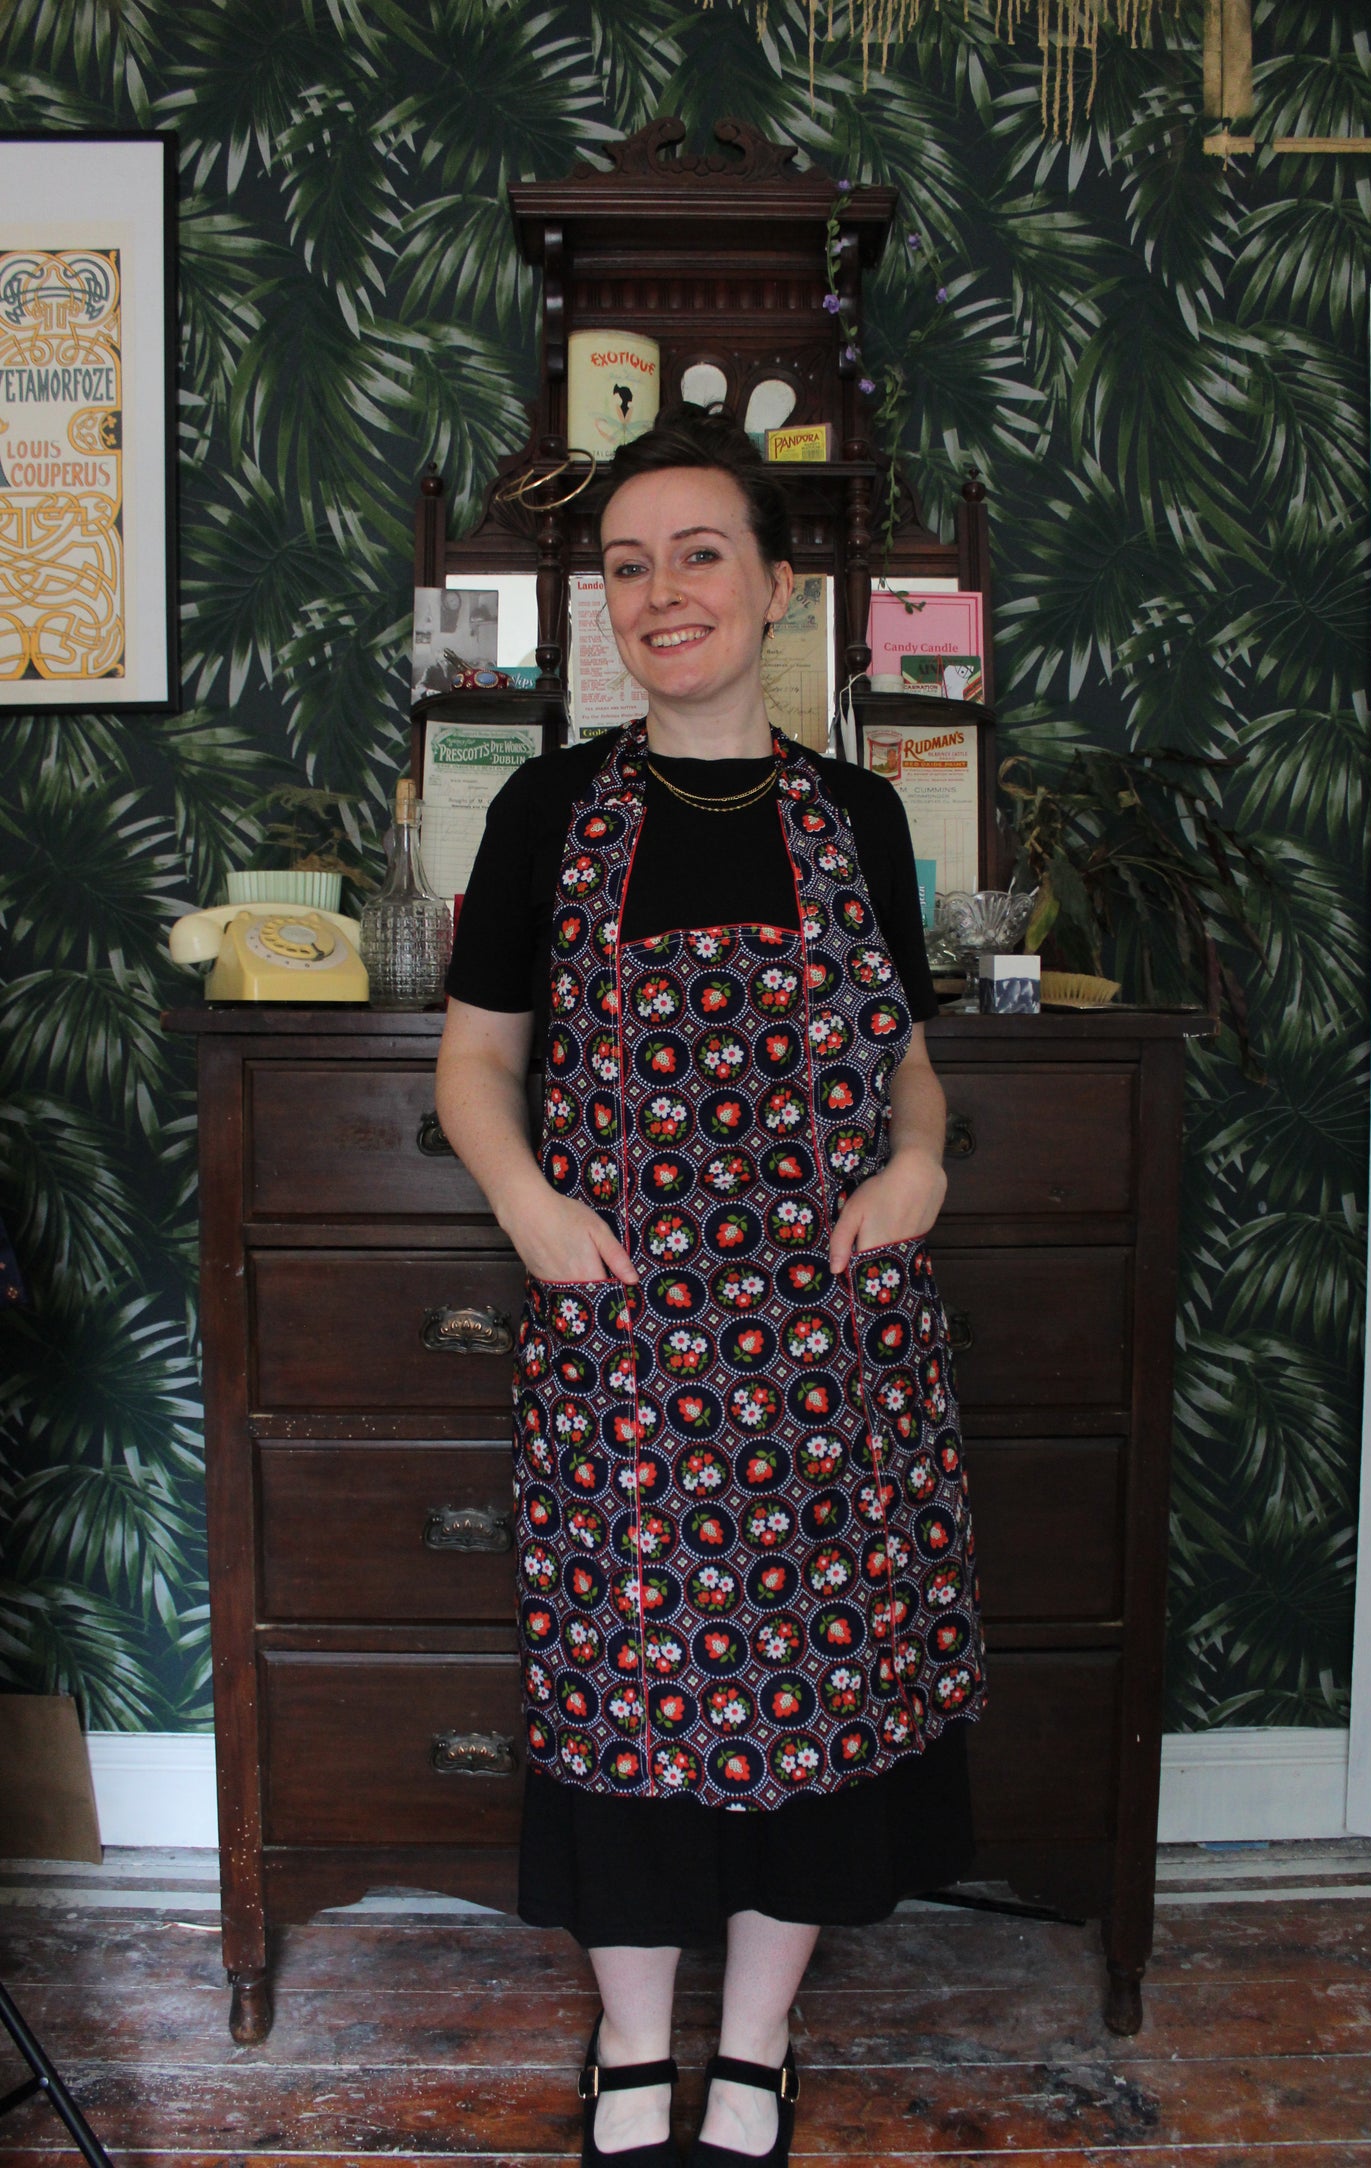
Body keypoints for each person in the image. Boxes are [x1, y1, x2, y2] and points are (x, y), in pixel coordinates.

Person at [435, 404, 985, 2168]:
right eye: (627, 565)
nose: (661, 591)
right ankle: (629, 2040)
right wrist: (526, 1205)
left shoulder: (856, 814)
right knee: (623, 1691)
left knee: (821, 1690)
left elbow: (906, 1063)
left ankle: (753, 2046)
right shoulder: (546, 809)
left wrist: (918, 1164)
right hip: (624, 1341)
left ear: (772, 585)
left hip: (832, 1346)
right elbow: (476, 1063)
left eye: (697, 554)